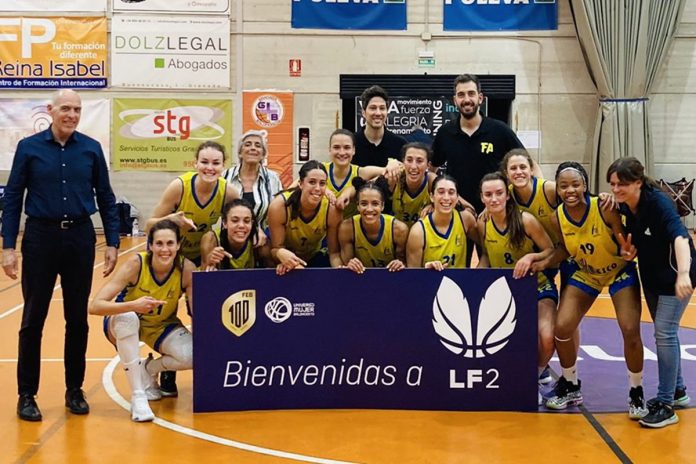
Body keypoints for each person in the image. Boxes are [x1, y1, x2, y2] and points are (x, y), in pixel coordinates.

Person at [1, 89, 120, 421]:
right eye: (65, 108)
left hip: (81, 237)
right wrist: (8, 247)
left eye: (77, 109)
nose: (71, 114)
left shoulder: (92, 149)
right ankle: (27, 394)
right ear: (50, 110)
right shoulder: (29, 148)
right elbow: (12, 198)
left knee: (77, 320)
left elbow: (107, 198)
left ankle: (74, 389)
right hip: (40, 237)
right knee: (32, 319)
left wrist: (112, 242)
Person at [534, 162, 646, 419]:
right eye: (564, 186)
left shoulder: (603, 207)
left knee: (630, 328)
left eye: (575, 184)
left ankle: (636, 390)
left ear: (585, 185)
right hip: (587, 274)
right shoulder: (557, 217)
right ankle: (571, 384)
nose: (570, 190)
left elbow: (623, 241)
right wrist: (540, 262)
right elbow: (562, 250)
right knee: (562, 328)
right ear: (558, 190)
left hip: (618, 271)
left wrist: (628, 251)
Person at [607, 157, 695, 428]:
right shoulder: (624, 204)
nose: (616, 190)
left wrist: (682, 275)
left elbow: (680, 237)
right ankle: (678, 390)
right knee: (664, 330)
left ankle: (666, 404)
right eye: (612, 184)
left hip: (675, 276)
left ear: (637, 183)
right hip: (653, 277)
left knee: (664, 333)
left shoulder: (658, 203)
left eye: (621, 184)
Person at [147, 140, 239, 397]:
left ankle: (209, 368)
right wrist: (172, 220)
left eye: (216, 163)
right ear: (195, 163)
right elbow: (149, 224)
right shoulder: (180, 186)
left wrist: (257, 234)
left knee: (203, 314)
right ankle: (167, 367)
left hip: (202, 260)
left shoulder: (227, 191)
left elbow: (241, 217)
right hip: (170, 258)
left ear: (223, 166)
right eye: (205, 162)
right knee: (167, 313)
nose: (210, 167)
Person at [90, 220, 195, 422]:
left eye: (170, 243)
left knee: (193, 356)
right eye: (159, 244)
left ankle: (149, 369)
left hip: (162, 326)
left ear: (178, 245)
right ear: (150, 245)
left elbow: (195, 312)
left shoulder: (186, 269)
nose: (165, 249)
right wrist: (133, 305)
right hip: (124, 321)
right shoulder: (136, 264)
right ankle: (139, 396)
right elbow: (95, 306)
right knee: (128, 320)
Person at [476, 172, 556, 405]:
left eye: (499, 193)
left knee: (547, 336)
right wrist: (476, 276)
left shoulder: (525, 220)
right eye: (488, 195)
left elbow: (551, 250)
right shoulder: (483, 223)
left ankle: (535, 374)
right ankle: (506, 379)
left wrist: (531, 256)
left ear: (507, 195)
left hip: (537, 286)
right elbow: (486, 255)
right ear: (482, 197)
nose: (494, 199)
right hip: (503, 292)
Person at [432, 74, 538, 214]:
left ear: (480, 98)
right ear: (455, 100)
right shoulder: (445, 133)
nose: (467, 99)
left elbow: (531, 165)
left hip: (495, 211)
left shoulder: (500, 130)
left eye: (471, 93)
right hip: (459, 212)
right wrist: (452, 200)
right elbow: (431, 171)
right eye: (461, 95)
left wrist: (538, 197)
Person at [268, 160, 343, 275]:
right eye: (312, 182)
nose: (317, 188)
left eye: (322, 183)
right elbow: (275, 249)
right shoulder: (279, 206)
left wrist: (341, 273)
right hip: (286, 253)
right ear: (301, 183)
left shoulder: (331, 209)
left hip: (313, 254)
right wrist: (281, 256)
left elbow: (334, 253)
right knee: (266, 252)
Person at [323, 128, 401, 218]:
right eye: (336, 147)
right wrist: (324, 189)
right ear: (329, 150)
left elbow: (395, 169)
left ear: (354, 150)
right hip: (322, 229)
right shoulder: (320, 170)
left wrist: (392, 162)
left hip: (352, 229)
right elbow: (303, 182)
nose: (342, 152)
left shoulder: (361, 172)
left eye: (347, 147)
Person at [406, 175, 479, 270]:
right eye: (441, 192)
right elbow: (413, 275)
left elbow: (487, 247)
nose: (446, 197)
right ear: (432, 197)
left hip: (458, 283)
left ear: (457, 198)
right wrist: (426, 270)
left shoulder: (466, 219)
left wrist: (477, 274)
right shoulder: (418, 231)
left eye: (451, 192)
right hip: (431, 283)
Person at [339, 176, 409, 273]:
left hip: (391, 279)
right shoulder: (347, 228)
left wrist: (401, 265)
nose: (369, 209)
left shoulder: (399, 229)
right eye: (364, 204)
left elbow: (408, 266)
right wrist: (349, 265)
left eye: (375, 204)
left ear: (383, 206)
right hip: (360, 279)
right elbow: (345, 267)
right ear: (357, 206)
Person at [223, 130, 283, 230]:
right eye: (247, 144)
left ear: (263, 155)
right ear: (240, 153)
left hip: (262, 238)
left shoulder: (273, 179)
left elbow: (279, 211)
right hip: (229, 237)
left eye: (258, 145)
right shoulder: (225, 176)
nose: (253, 148)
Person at [200, 199, 271, 270]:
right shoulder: (211, 239)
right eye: (235, 220)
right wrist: (209, 263)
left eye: (246, 221)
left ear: (252, 224)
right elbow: (203, 277)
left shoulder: (259, 241)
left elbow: (273, 273)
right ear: (225, 223)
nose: (241, 225)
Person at [352, 85, 407, 168]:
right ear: (363, 112)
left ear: (387, 112)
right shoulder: (351, 143)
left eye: (382, 108)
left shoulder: (400, 145)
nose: (378, 113)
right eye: (373, 108)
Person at [388, 142, 438, 227]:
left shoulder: (432, 181)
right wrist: (386, 168)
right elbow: (367, 189)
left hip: (422, 235)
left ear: (428, 165)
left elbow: (459, 204)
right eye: (409, 160)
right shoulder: (394, 177)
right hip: (397, 233)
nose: (413, 166)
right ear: (403, 162)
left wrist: (436, 206)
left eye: (419, 161)